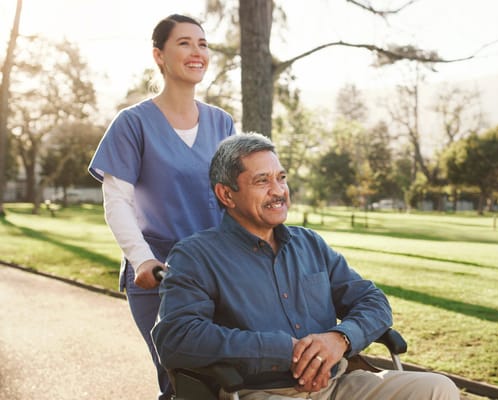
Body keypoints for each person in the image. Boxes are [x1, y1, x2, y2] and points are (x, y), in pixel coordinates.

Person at [151, 133, 460, 399]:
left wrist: (340, 339)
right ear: (226, 194)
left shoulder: (309, 244)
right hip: (261, 391)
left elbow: (373, 301)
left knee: (437, 389)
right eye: (262, 180)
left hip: (340, 384)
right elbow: (177, 338)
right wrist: (285, 350)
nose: (278, 191)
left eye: (281, 178)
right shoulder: (195, 256)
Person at [88, 14, 235, 400]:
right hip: (158, 274)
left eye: (203, 44)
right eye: (185, 43)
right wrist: (141, 260)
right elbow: (117, 201)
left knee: (230, 381)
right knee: (183, 382)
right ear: (159, 55)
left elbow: (236, 200)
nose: (197, 51)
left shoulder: (223, 124)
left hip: (216, 273)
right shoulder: (132, 123)